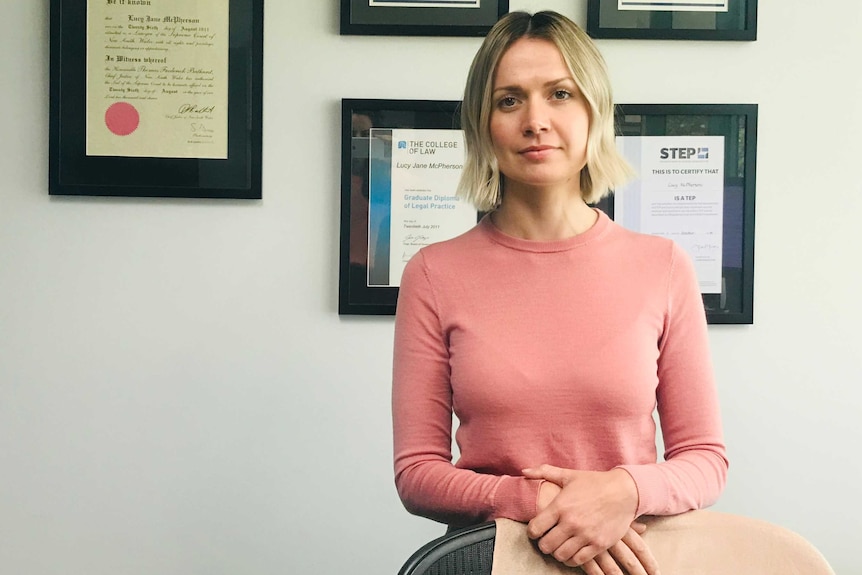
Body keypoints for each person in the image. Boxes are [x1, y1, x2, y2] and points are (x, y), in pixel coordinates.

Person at [392, 10, 728, 575]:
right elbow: (416, 473)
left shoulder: (663, 266)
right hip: (488, 560)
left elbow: (706, 461)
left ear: (595, 111)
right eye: (509, 100)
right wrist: (537, 502)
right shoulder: (433, 273)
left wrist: (623, 491)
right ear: (483, 125)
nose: (536, 120)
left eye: (560, 94)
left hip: (632, 561)